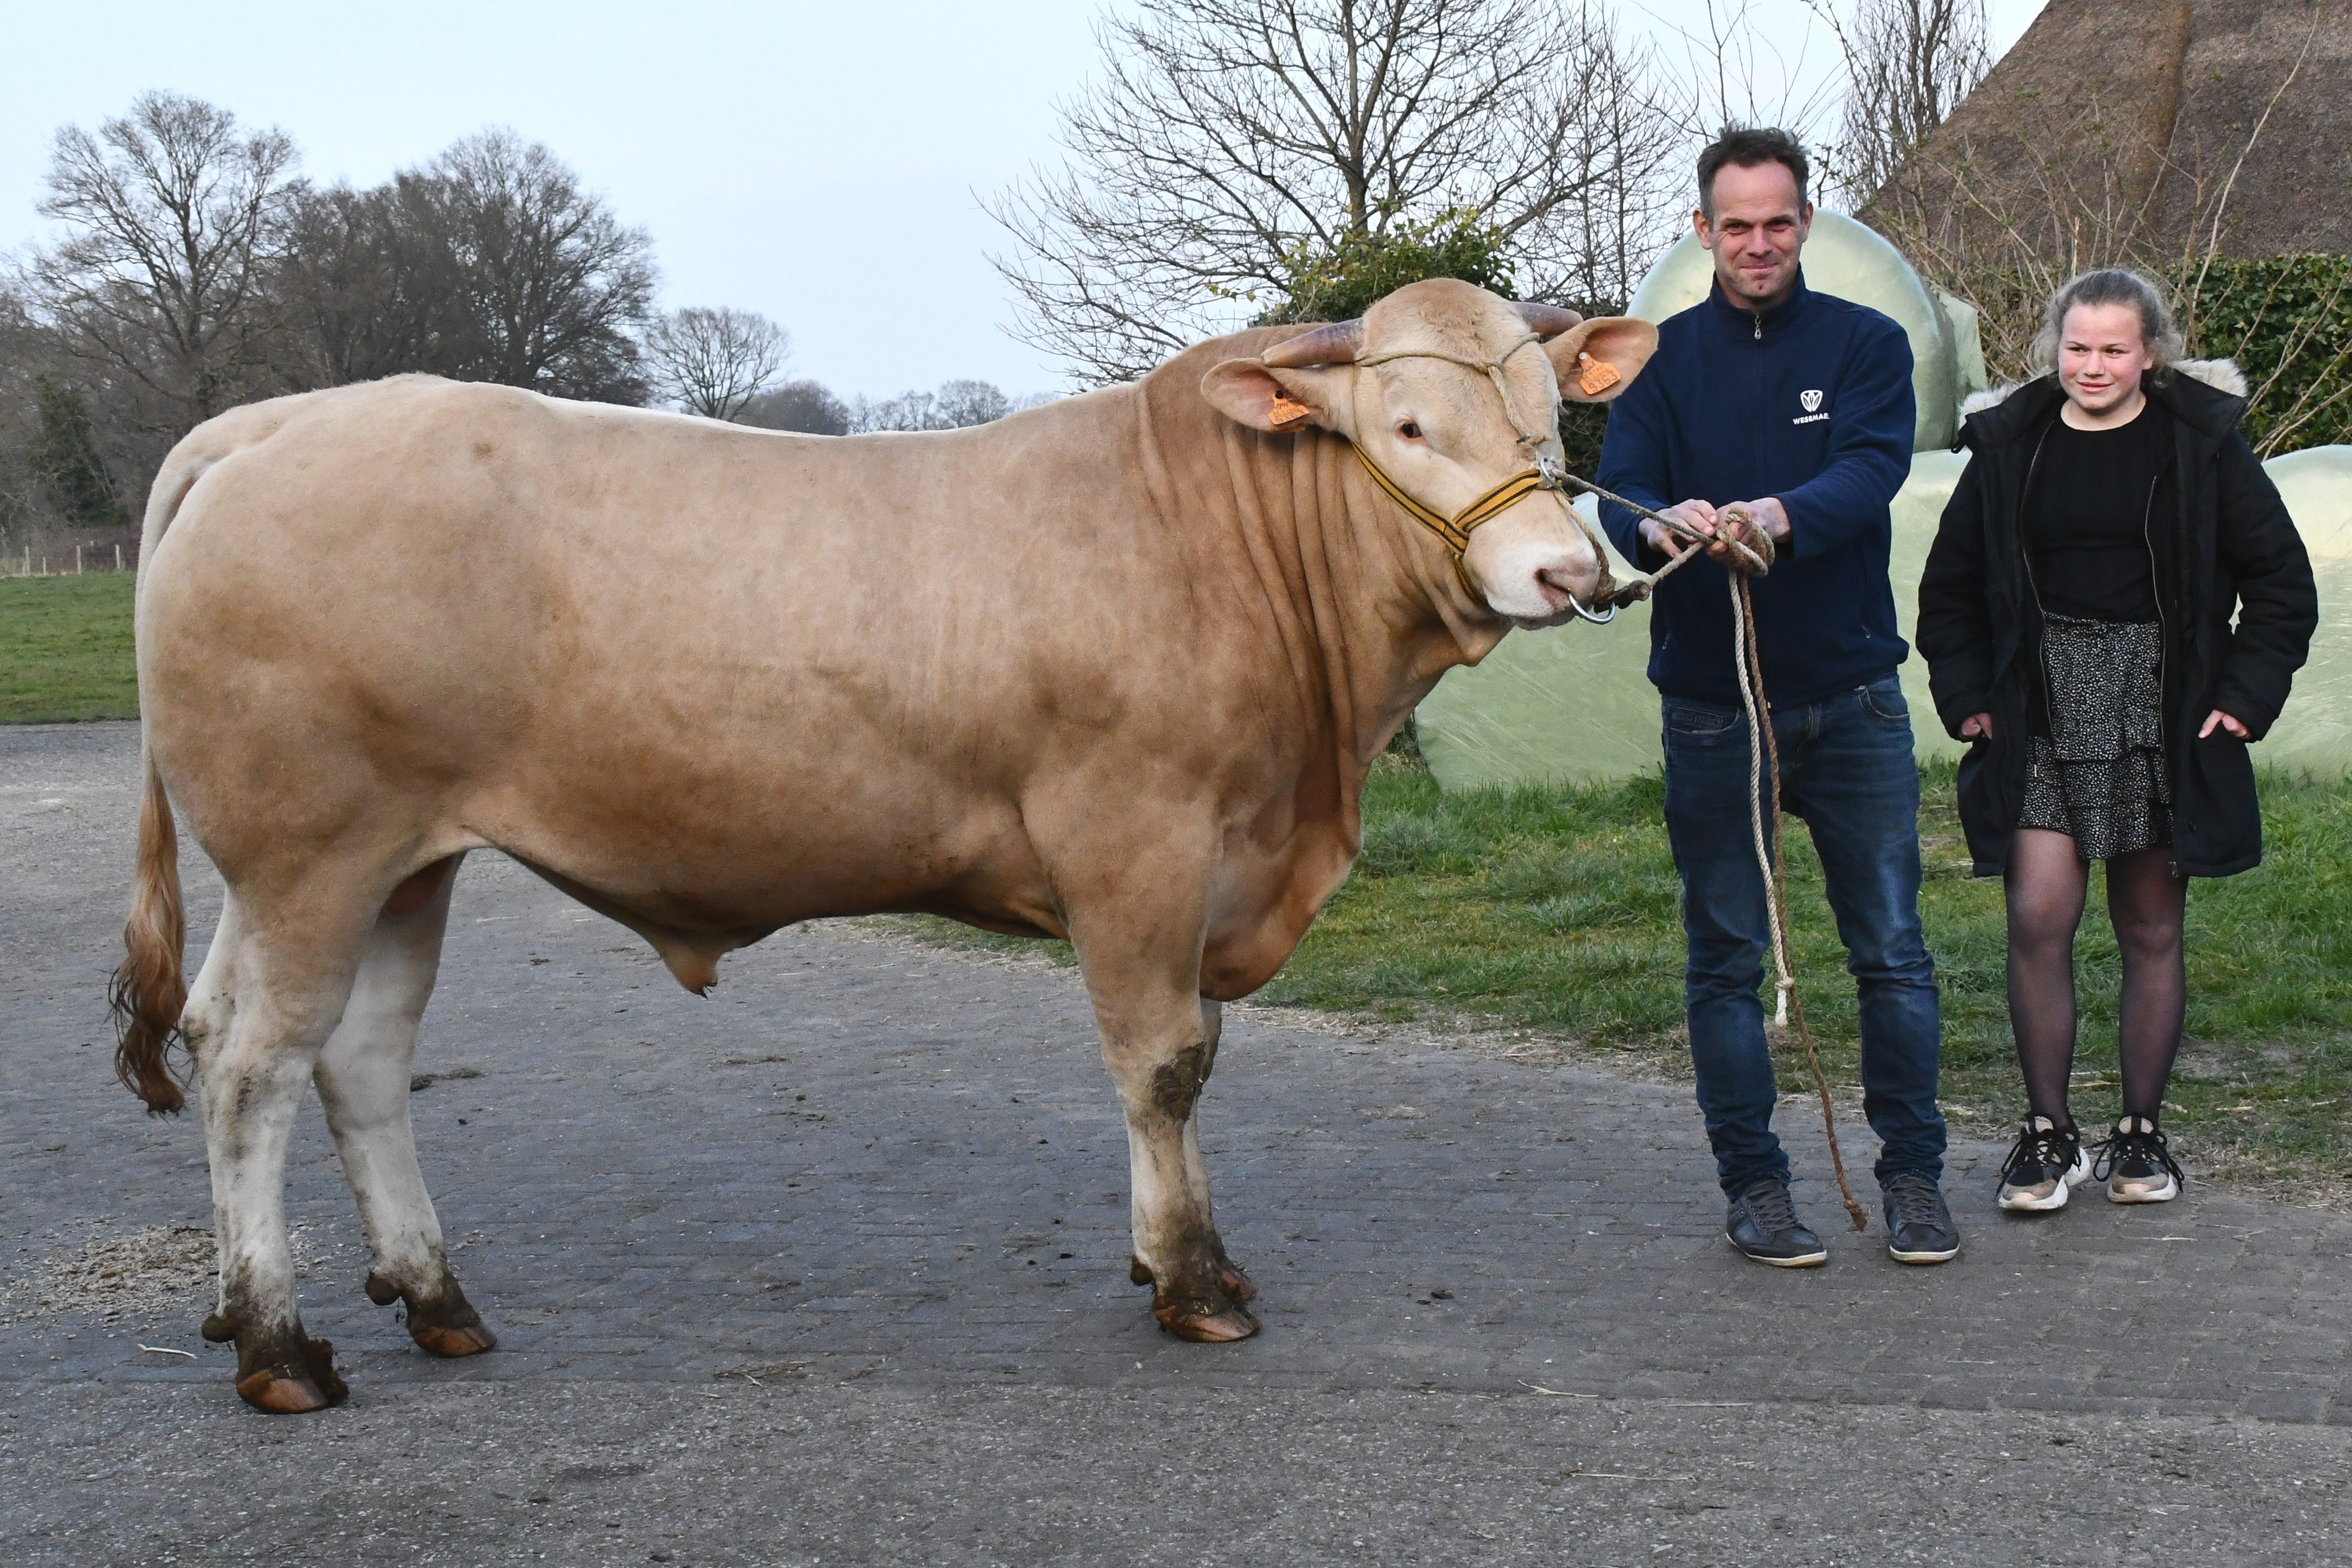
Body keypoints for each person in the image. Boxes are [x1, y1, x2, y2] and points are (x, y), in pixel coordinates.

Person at [1597, 126, 1957, 1267]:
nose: (1757, 243)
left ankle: (1912, 1179)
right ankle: (1753, 1189)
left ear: (1804, 223)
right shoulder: (1655, 360)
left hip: (1848, 696)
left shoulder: (1864, 343)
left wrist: (1767, 517)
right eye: (1735, 224)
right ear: (1701, 231)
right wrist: (1660, 523)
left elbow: (1868, 471)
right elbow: (1622, 492)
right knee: (1723, 960)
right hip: (1711, 707)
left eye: (1776, 222)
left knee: (1890, 952)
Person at [1916, 269, 2316, 1211]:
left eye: (2113, 349)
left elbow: (2280, 583)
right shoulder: (2009, 445)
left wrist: (2244, 697)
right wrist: (1968, 692)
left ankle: (2141, 1134)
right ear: (2054, 346)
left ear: (2150, 354)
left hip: (2159, 709)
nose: (2091, 366)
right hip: (2040, 709)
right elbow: (1950, 588)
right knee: (2038, 916)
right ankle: (2047, 1135)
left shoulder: (2202, 445)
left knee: (2148, 925)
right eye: (2077, 347)